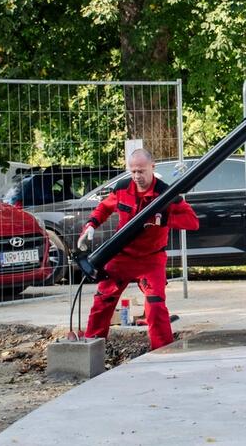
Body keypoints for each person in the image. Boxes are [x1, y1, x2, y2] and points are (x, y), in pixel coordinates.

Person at [78, 148, 198, 350]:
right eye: (133, 171)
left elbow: (192, 222)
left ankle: (162, 351)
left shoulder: (167, 194)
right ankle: (92, 345)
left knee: (156, 305)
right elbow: (105, 207)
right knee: (103, 300)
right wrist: (91, 225)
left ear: (153, 167)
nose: (136, 176)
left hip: (151, 260)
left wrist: (165, 219)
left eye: (141, 171)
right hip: (122, 257)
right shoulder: (122, 188)